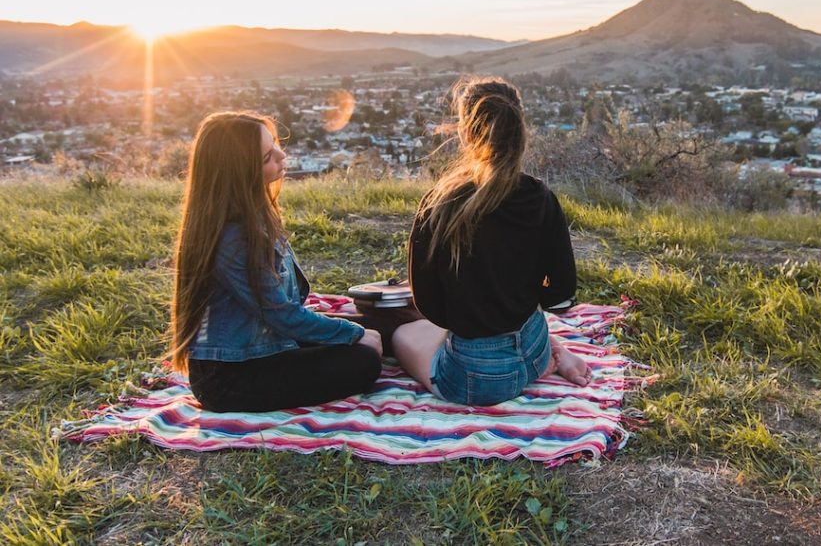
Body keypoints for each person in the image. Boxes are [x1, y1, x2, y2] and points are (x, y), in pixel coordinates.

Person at [392, 77, 591, 406]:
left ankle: (527, 364)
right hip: (534, 347)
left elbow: (427, 303)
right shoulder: (541, 197)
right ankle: (551, 356)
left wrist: (471, 309)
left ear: (465, 133)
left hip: (478, 379)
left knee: (404, 334)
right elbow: (561, 296)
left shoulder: (440, 204)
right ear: (518, 129)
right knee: (509, 330)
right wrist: (517, 297)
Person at [167, 111, 382, 412]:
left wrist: (356, 331)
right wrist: (354, 334)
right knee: (365, 359)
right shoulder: (234, 238)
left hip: (266, 341)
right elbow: (282, 314)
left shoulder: (253, 213)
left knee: (378, 327)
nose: (283, 156)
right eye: (269, 155)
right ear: (240, 172)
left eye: (275, 146)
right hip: (231, 376)